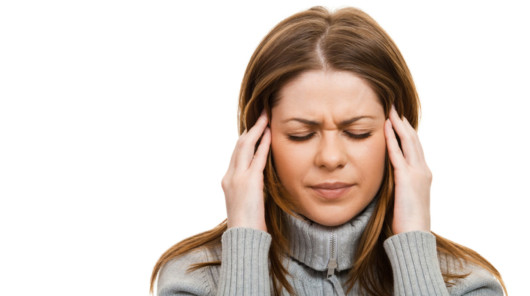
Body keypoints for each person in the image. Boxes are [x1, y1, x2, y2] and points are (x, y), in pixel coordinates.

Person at [150, 6, 507, 296]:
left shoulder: (465, 285)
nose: (331, 158)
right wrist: (245, 245)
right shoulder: (192, 282)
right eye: (302, 134)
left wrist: (415, 243)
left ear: (399, 136)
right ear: (258, 140)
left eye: (357, 132)